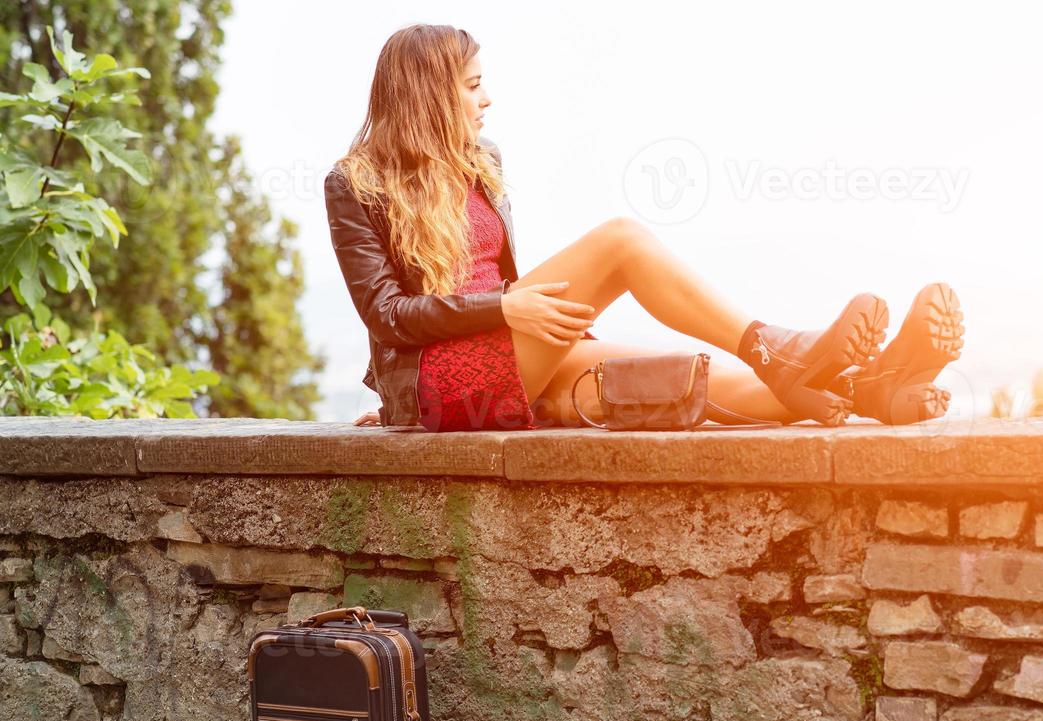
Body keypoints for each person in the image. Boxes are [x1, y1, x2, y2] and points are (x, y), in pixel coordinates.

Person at [328, 23, 964, 432]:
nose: (486, 99)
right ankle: (775, 345)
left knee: (688, 380)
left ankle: (870, 389)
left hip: (512, 352)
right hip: (443, 378)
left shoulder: (480, 159)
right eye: (471, 86)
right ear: (429, 94)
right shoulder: (354, 182)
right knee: (621, 240)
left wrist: (521, 317)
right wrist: (505, 309)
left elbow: (501, 276)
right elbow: (387, 314)